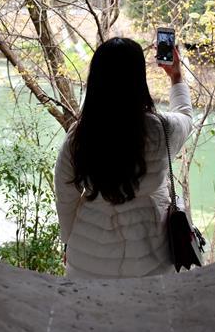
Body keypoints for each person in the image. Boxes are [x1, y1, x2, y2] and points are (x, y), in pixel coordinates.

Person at [54, 37, 193, 279]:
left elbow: (65, 197)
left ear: (96, 80)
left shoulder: (79, 135)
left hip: (87, 259)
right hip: (150, 259)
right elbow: (186, 117)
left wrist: (68, 240)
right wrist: (176, 77)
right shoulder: (161, 129)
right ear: (138, 80)